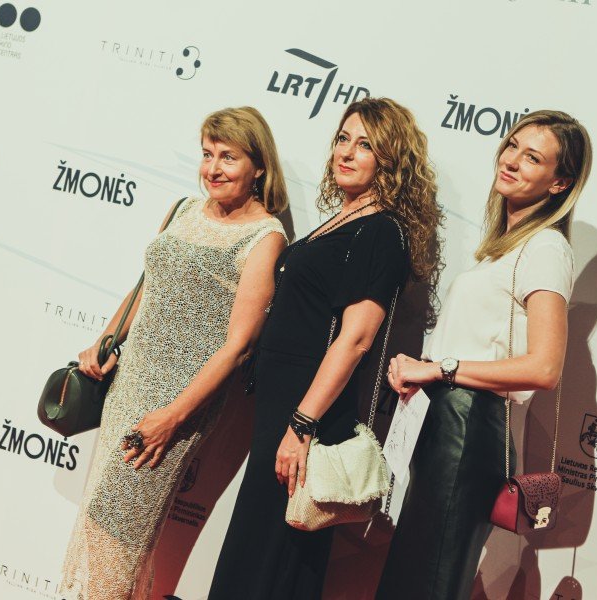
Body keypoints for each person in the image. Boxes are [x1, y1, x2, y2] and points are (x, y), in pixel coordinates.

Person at [209, 97, 443, 600]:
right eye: (343, 139)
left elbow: (356, 339)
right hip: (282, 407)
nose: (347, 152)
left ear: (391, 160)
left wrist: (302, 424)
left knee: (272, 557)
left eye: (365, 145)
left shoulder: (381, 231)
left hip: (305, 412)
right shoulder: (341, 220)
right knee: (261, 548)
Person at [59, 106, 288, 600]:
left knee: (119, 535)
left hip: (175, 408)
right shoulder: (183, 209)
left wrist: (174, 416)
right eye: (207, 154)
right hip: (127, 389)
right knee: (97, 526)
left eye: (228, 157)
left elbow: (239, 346)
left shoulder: (265, 237)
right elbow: (147, 284)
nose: (213, 168)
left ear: (258, 167)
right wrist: (105, 341)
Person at [377, 110, 593, 600]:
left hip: (468, 428)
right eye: (512, 145)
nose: (511, 160)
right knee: (415, 573)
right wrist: (421, 370)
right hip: (446, 422)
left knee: (430, 580)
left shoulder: (545, 248)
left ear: (560, 183)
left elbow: (544, 368)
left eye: (532, 157)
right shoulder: (503, 249)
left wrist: (440, 368)